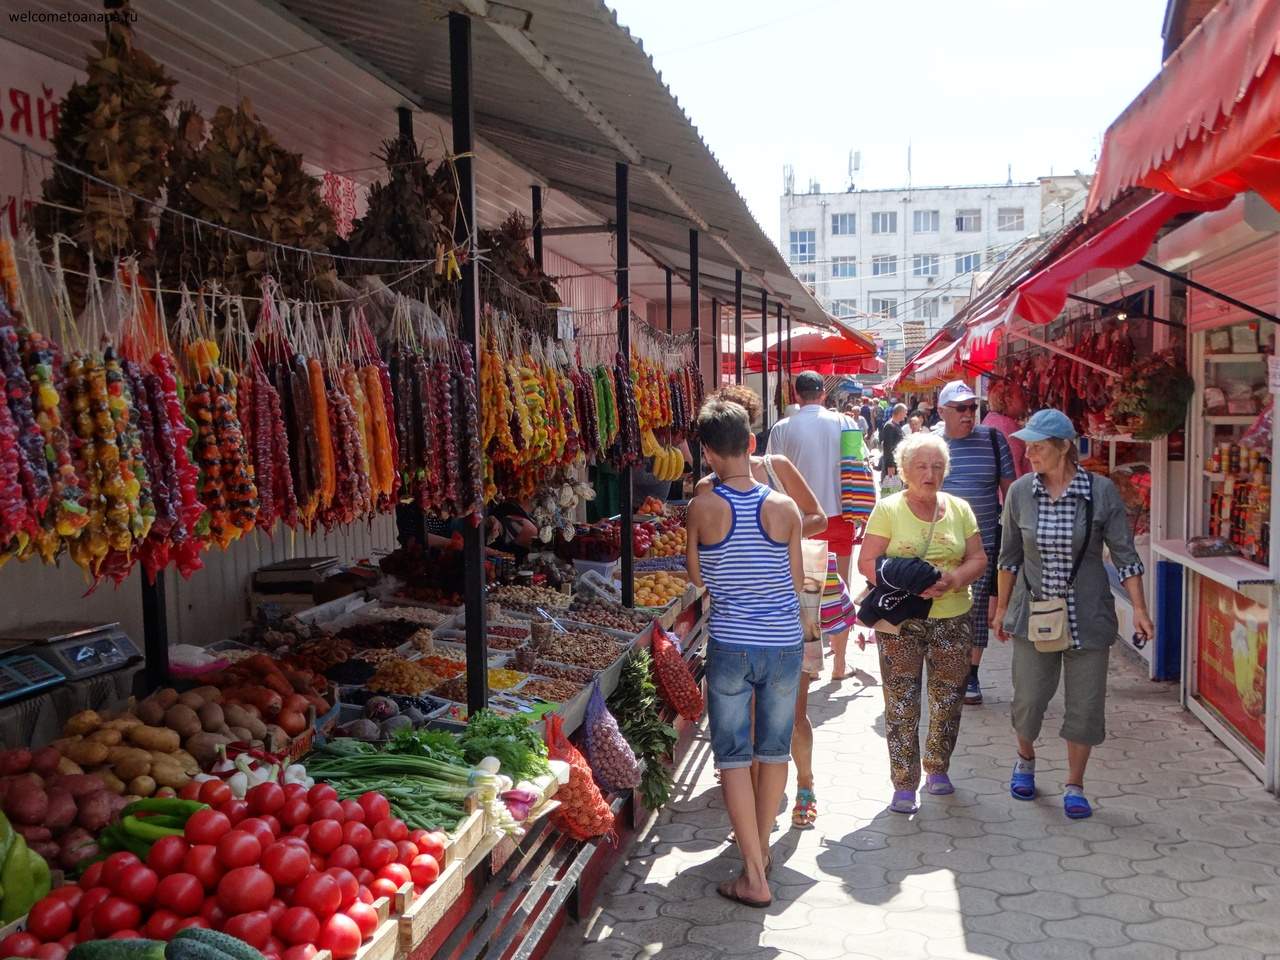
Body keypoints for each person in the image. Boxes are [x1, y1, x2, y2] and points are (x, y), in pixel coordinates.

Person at [991, 410, 1154, 820]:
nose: (1029, 454)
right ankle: (1025, 759)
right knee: (1028, 699)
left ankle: (1075, 783)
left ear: (1064, 447)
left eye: (1038, 446)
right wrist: (1000, 610)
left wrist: (1140, 609)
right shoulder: (1020, 494)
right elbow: (1008, 558)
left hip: (1089, 616)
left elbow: (1125, 555)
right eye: (1027, 445)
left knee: (1085, 706)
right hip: (1034, 614)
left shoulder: (1100, 492)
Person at [686, 398, 804, 909]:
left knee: (733, 758)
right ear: (752, 444)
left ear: (708, 453)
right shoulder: (784, 507)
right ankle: (761, 857)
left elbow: (696, 579)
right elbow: (796, 582)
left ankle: (753, 872)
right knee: (773, 751)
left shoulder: (702, 506)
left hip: (732, 643)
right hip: (783, 644)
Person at [696, 385, 828, 829]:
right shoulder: (706, 490)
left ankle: (806, 783)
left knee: (793, 717)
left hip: (792, 606)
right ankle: (760, 816)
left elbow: (818, 517)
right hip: (759, 619)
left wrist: (778, 540)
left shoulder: (777, 470)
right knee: (756, 725)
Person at [858, 432, 989, 813]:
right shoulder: (888, 509)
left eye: (937, 466)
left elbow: (978, 558)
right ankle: (903, 782)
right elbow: (867, 562)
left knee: (948, 699)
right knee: (901, 702)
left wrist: (954, 579)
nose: (929, 473)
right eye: (921, 466)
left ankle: (937, 767)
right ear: (903, 471)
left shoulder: (960, 509)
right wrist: (907, 580)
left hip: (953, 616)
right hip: (902, 620)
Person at [767, 371, 861, 680]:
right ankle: (839, 663)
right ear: (823, 394)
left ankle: (811, 666)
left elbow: (770, 479)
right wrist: (861, 513)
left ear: (796, 395)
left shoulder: (782, 427)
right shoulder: (847, 423)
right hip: (840, 514)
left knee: (806, 593)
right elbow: (857, 471)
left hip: (800, 521)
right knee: (841, 590)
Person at [936, 380, 1015, 706]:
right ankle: (944, 668)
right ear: (943, 412)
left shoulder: (994, 440)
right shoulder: (931, 445)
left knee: (976, 609)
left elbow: (1010, 491)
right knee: (941, 606)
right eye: (961, 409)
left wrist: (1014, 536)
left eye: (972, 408)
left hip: (983, 544)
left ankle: (970, 675)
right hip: (940, 543)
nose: (969, 415)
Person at [983, 382, 1032, 478]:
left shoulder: (989, 419)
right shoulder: (1007, 426)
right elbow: (1013, 468)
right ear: (1008, 400)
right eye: (1020, 395)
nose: (1026, 399)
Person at [879, 403, 909, 479]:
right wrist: (890, 465)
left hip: (897, 462)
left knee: (896, 486)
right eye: (905, 413)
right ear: (900, 412)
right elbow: (888, 447)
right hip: (892, 464)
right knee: (891, 488)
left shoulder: (896, 425)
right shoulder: (890, 426)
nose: (906, 415)